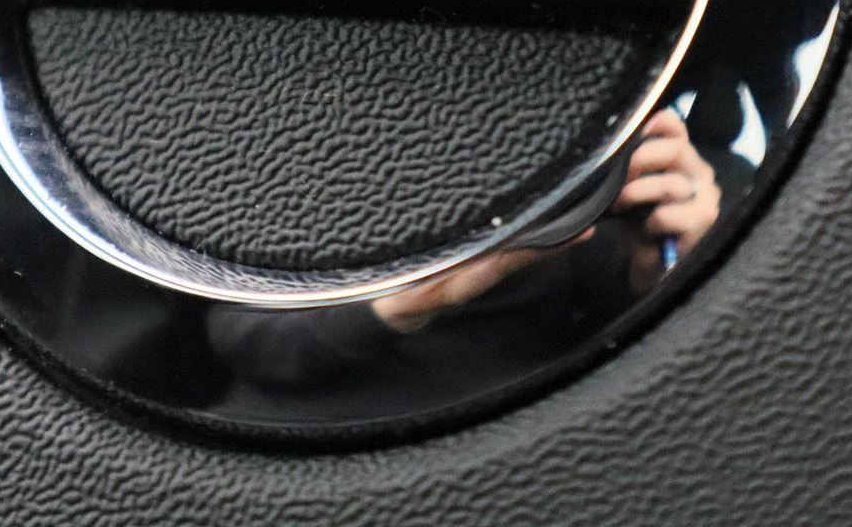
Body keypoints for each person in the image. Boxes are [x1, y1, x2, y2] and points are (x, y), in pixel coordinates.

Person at [204, 108, 725, 419]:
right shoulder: (318, 161)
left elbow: (627, 341)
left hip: (528, 435)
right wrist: (404, 302)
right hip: (309, 427)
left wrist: (675, 267)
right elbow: (247, 335)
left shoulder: (591, 178)